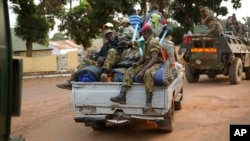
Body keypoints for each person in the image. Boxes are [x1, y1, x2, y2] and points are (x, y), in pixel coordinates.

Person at [109, 23, 164, 112]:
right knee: (130, 70)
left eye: (143, 33)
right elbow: (144, 56)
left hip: (156, 63)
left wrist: (142, 71)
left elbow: (154, 58)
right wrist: (137, 64)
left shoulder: (153, 42)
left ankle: (148, 103)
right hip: (147, 62)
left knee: (148, 73)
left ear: (146, 33)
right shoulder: (147, 42)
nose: (142, 35)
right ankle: (122, 95)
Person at [56, 29, 124, 89]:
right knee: (85, 61)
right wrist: (99, 58)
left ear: (114, 34)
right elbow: (99, 55)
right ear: (106, 37)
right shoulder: (105, 45)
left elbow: (119, 53)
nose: (110, 36)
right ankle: (71, 80)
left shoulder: (119, 43)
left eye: (111, 34)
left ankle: (105, 72)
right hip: (102, 63)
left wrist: (107, 58)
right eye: (108, 36)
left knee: (112, 51)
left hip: (114, 63)